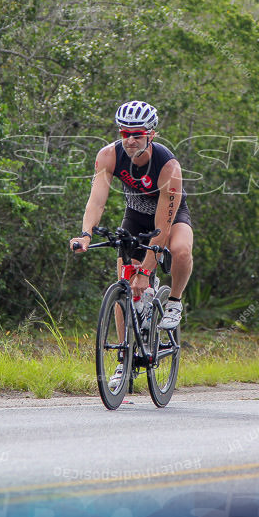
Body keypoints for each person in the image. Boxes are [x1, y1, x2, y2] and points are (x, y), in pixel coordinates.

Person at [70, 101, 194, 385]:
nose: (131, 140)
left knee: (180, 250)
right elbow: (97, 200)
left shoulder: (168, 167)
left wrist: (147, 271)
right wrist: (85, 234)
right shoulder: (108, 156)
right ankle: (124, 361)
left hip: (170, 219)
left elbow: (162, 227)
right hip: (135, 217)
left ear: (152, 134)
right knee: (125, 286)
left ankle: (174, 302)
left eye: (137, 134)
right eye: (125, 133)